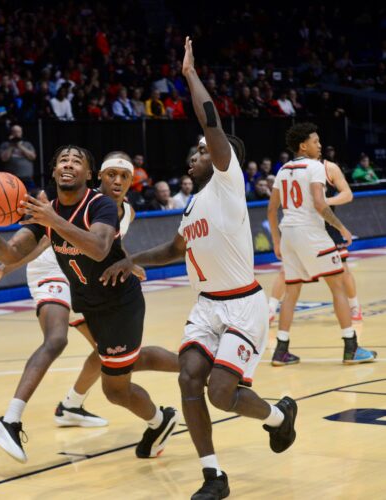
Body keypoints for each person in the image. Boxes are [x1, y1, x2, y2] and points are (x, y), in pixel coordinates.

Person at [101, 38, 297, 499]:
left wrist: (190, 76)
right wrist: (131, 260)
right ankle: (213, 477)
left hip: (242, 305)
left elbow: (210, 122)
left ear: (223, 156)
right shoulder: (192, 206)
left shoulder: (228, 181)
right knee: (189, 376)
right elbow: (174, 248)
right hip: (207, 306)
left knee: (221, 393)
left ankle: (278, 416)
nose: (195, 155)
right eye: (195, 151)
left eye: (203, 151)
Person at [0, 145, 179, 464]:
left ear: (89, 175)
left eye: (76, 161)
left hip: (118, 305)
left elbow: (100, 248)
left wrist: (125, 260)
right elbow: (13, 252)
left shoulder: (101, 205)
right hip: (83, 297)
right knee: (97, 360)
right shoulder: (48, 209)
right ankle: (26, 416)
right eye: (63, 160)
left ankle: (169, 407)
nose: (68, 164)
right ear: (54, 171)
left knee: (116, 387)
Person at [267, 122, 376, 366]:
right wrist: (341, 227)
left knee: (291, 292)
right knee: (337, 286)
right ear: (303, 146)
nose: (320, 145)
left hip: (289, 234)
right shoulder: (315, 167)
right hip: (310, 233)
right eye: (315, 141)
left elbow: (272, 210)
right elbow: (319, 203)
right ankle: (351, 347)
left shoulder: (283, 169)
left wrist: (276, 240)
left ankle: (281, 350)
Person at [268, 157, 362, 323]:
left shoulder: (329, 168)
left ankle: (354, 306)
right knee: (286, 271)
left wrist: (325, 201)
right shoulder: (292, 170)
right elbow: (274, 206)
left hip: (328, 225)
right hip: (304, 227)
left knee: (343, 270)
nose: (317, 146)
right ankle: (270, 309)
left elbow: (348, 194)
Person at [0, 124, 37, 191]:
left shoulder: (27, 144)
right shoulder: (5, 145)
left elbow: (33, 157)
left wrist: (20, 146)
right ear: (11, 133)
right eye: (14, 132)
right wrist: (11, 145)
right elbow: (4, 159)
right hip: (11, 179)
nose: (16, 134)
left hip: (27, 178)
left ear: (21, 133)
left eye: (18, 132)